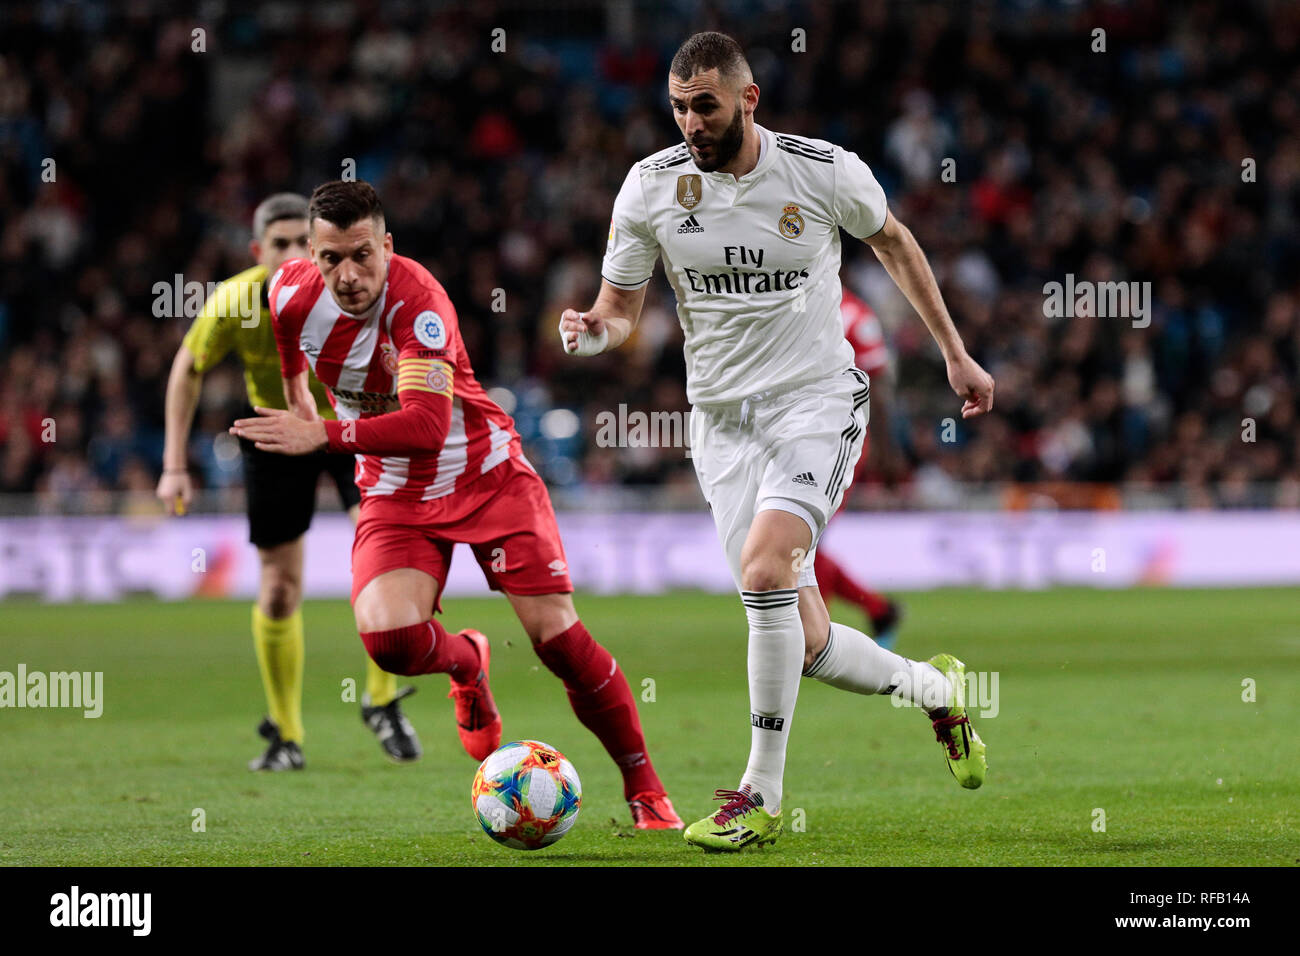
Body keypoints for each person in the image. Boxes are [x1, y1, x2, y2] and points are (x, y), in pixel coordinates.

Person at [560, 31, 992, 851]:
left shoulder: (822, 170)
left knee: (765, 570)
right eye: (680, 107)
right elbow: (617, 312)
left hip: (815, 403)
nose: (691, 121)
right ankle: (938, 690)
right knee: (813, 642)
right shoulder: (650, 188)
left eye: (706, 105)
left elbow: (894, 241)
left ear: (748, 99)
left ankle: (756, 794)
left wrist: (954, 353)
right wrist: (589, 333)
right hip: (720, 426)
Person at [231, 180, 681, 830]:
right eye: (332, 259)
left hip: (485, 474)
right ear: (312, 255)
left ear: (386, 245)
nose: (348, 275)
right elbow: (287, 343)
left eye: (362, 255)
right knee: (388, 639)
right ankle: (467, 663)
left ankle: (645, 788)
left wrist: (320, 432)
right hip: (394, 492)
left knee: (558, 641)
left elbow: (424, 426)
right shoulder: (288, 291)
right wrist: (301, 397)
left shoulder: (419, 305)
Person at [159, 193, 420, 771]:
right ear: (257, 251)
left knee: (382, 564)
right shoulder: (235, 300)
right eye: (274, 245)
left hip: (351, 427)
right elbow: (188, 367)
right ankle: (288, 733)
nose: (288, 255)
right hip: (275, 436)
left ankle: (381, 701)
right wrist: (175, 464)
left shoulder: (352, 286)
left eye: (297, 244)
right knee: (278, 589)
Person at [814, 285, 903, 649]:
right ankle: (879, 610)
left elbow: (877, 384)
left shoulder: (856, 315)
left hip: (842, 440)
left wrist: (886, 448)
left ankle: (815, 633)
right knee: (797, 539)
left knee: (805, 538)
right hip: (795, 436)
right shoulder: (791, 295)